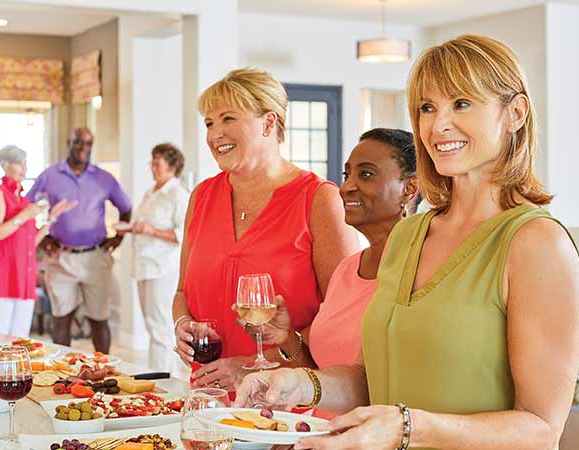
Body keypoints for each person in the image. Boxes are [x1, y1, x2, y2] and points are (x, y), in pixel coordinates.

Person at [236, 35, 579, 450]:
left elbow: (542, 430)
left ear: (515, 113)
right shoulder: (408, 235)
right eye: (427, 107)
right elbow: (372, 380)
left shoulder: (536, 244)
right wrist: (299, 383)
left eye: (461, 103)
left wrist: (407, 427)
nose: (438, 126)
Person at [173, 68, 360, 391]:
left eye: (228, 119)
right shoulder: (201, 196)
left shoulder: (318, 199)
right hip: (209, 399)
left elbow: (344, 318)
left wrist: (255, 366)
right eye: (209, 123)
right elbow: (182, 293)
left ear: (269, 123)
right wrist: (183, 324)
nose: (215, 133)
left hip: (288, 403)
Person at [233, 128, 419, 371]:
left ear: (409, 188)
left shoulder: (422, 270)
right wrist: (286, 337)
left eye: (366, 174)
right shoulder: (347, 269)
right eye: (347, 174)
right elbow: (318, 374)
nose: (346, 187)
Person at [28, 128, 132, 353]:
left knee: (99, 319)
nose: (83, 148)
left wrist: (119, 238)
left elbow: (126, 208)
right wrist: (43, 236)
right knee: (62, 318)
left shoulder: (104, 178)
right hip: (61, 257)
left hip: (96, 257)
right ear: (69, 142)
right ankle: (61, 371)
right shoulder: (50, 175)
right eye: (78, 143)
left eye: (88, 143)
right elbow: (26, 207)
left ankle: (103, 371)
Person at [0, 145, 76, 337]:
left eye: (25, 163)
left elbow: (30, 243)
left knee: (20, 340)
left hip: (25, 279)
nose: (24, 168)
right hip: (3, 278)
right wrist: (25, 215)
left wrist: (52, 218)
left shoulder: (24, 201)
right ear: (5, 165)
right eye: (19, 163)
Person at [129, 143, 189, 376]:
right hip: (143, 266)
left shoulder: (178, 195)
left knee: (160, 327)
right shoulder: (151, 192)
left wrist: (151, 231)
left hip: (163, 269)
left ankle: (161, 381)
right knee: (151, 325)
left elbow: (183, 235)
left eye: (158, 164)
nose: (153, 168)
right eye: (152, 163)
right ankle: (165, 375)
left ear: (172, 166)